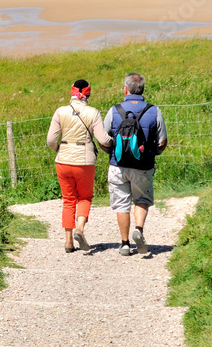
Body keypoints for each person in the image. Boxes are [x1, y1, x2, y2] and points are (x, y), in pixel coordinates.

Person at [99, 72, 168, 256]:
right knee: (142, 199)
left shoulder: (114, 110)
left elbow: (103, 138)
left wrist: (111, 153)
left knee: (121, 204)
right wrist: (154, 153)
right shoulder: (154, 111)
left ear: (126, 89)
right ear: (143, 89)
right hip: (143, 165)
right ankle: (139, 229)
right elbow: (162, 141)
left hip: (118, 164)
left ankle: (124, 244)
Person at [46, 79, 108, 253]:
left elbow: (51, 139)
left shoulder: (60, 111)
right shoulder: (93, 113)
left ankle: (68, 241)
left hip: (63, 160)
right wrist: (112, 144)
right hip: (84, 161)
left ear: (71, 92)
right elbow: (102, 139)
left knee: (68, 199)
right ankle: (79, 229)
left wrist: (59, 149)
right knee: (85, 197)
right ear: (88, 94)